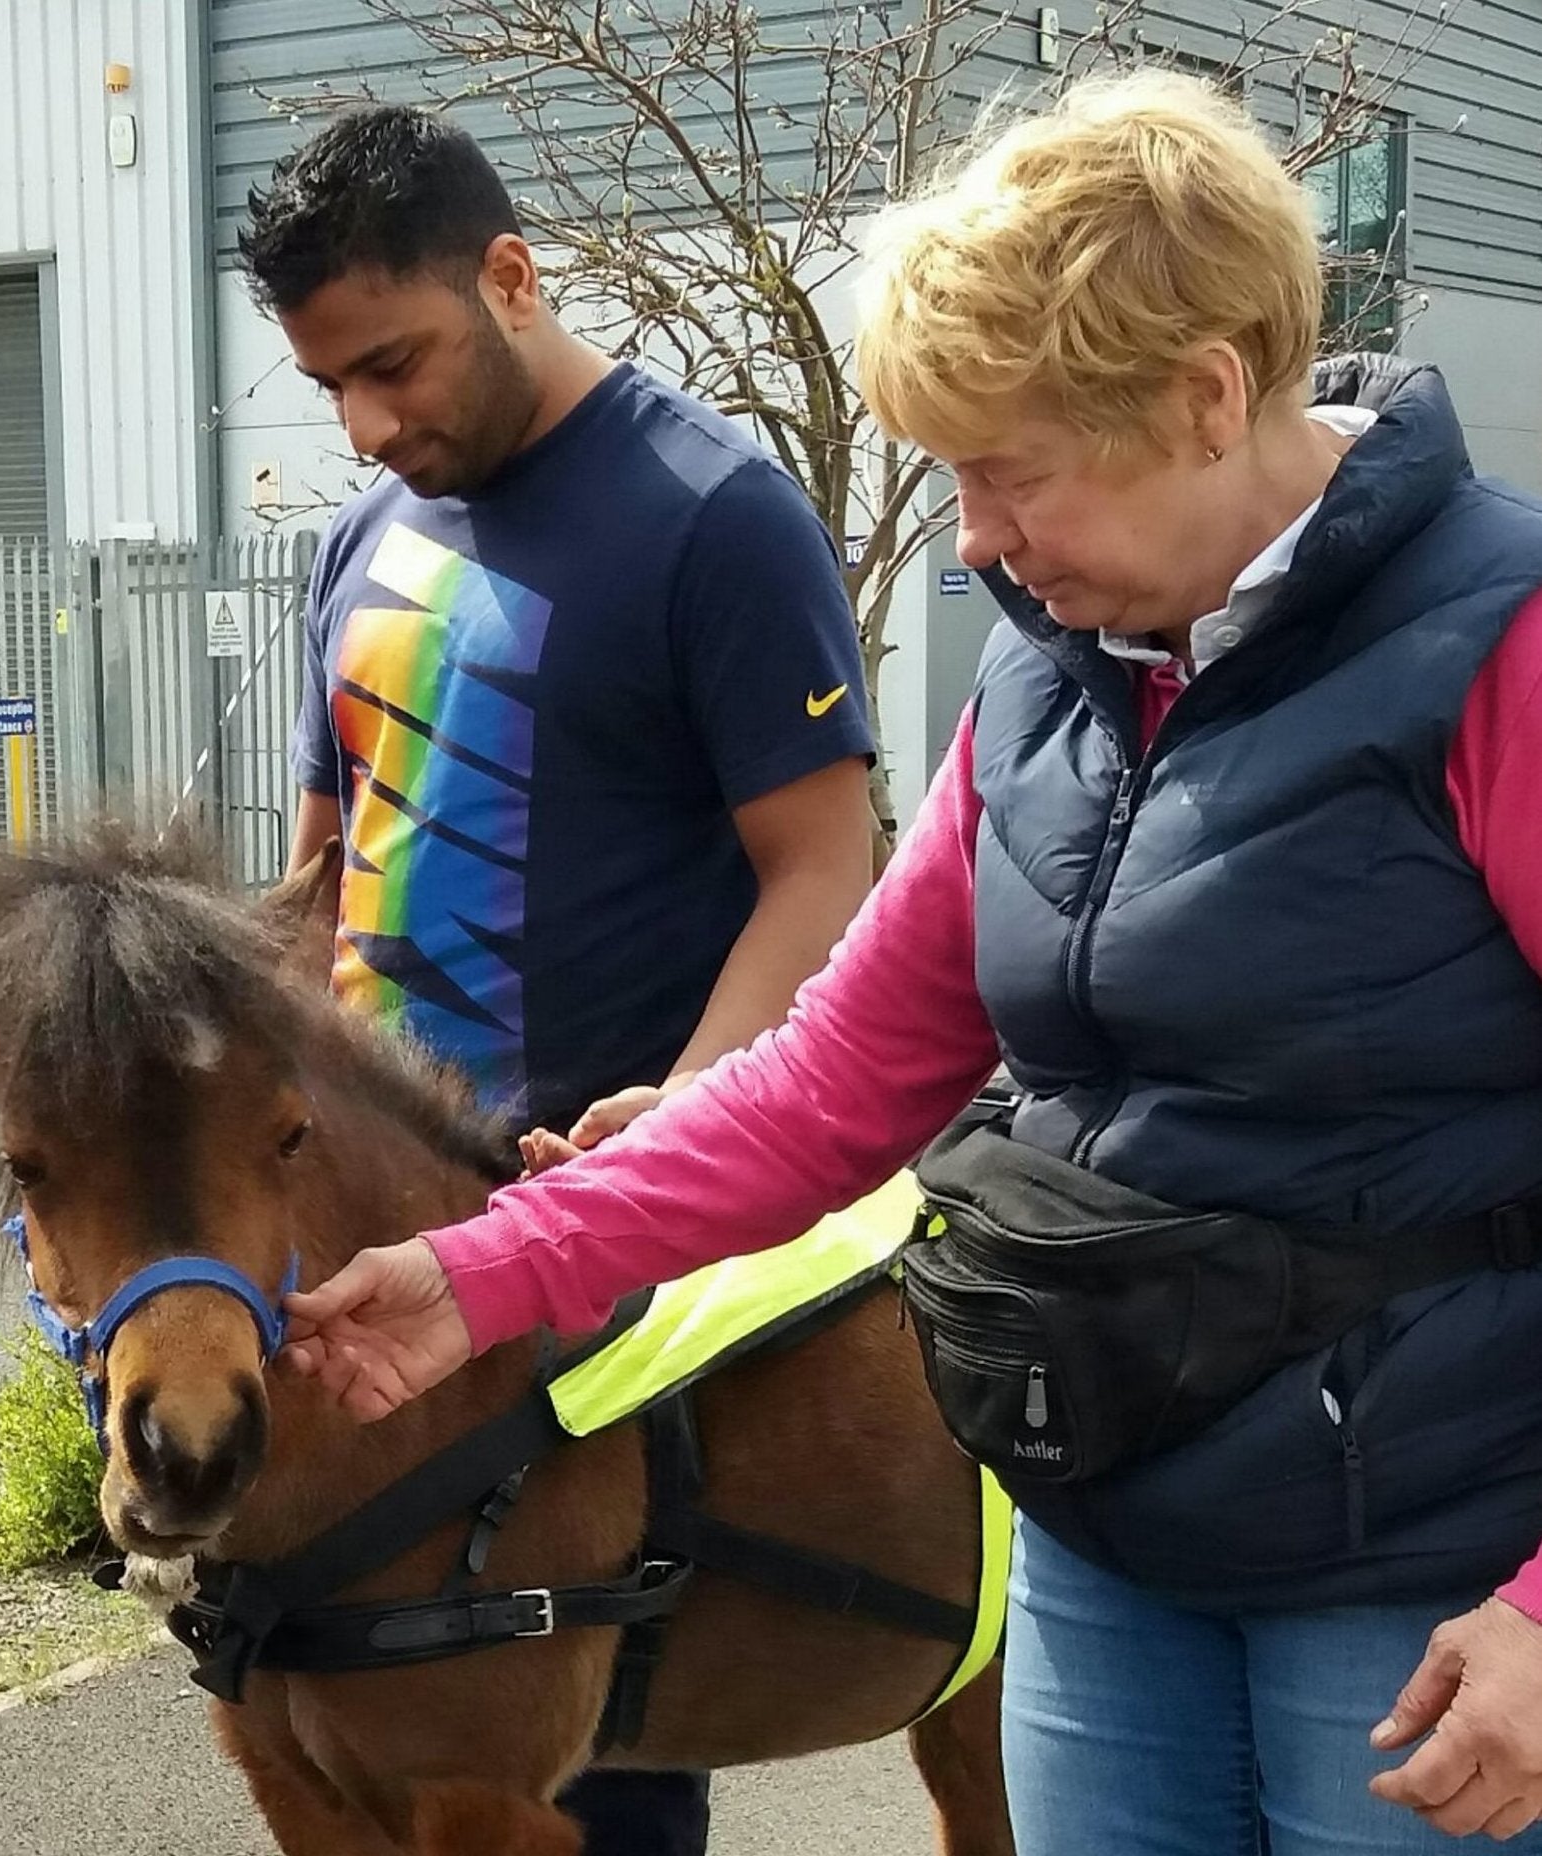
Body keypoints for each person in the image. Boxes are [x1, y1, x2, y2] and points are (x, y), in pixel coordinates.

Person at [281, 71, 1542, 1854]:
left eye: (1010, 473)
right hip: (1108, 1528)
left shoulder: (1499, 643)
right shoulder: (1046, 678)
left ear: (1202, 399)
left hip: (1423, 1580)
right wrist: (482, 1274)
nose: (973, 544)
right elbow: (832, 1082)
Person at [236, 104, 878, 1854]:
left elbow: (827, 871)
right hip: (369, 1258)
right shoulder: (356, 542)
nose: (373, 425)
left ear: (511, 277)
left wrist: (687, 1117)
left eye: (397, 364)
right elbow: (319, 878)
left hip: (593, 1255)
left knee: (588, 1760)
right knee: (336, 1731)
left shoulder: (713, 515)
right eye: (333, 391)